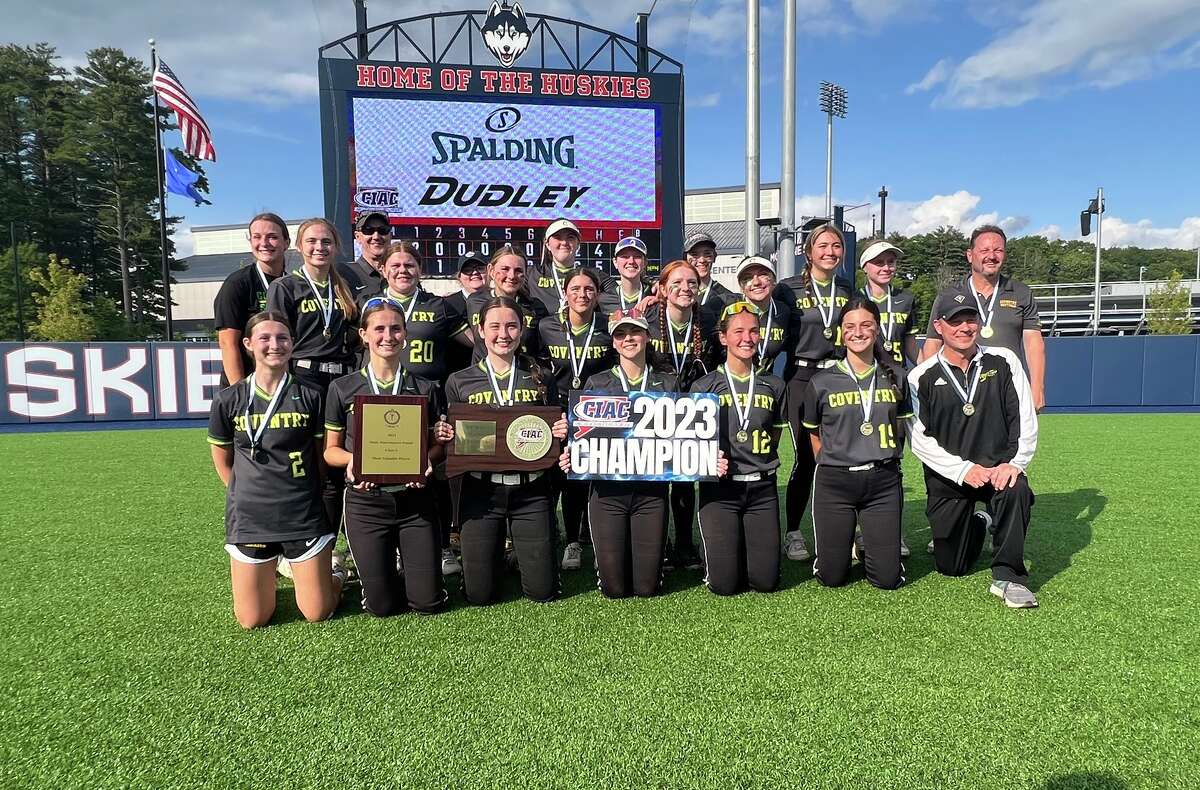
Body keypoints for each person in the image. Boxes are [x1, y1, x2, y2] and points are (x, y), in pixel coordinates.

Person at [206, 311, 344, 628]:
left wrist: (300, 489)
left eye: (282, 337)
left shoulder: (311, 395)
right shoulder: (229, 399)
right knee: (252, 619)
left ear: (292, 344)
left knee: (316, 612)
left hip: (302, 513)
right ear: (248, 344)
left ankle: (334, 575)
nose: (274, 345)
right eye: (265, 338)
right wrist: (246, 493)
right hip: (252, 517)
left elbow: (320, 459)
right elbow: (222, 461)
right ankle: (271, 576)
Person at [324, 298, 454, 616]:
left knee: (427, 604)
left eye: (396, 329)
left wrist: (428, 460)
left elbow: (437, 446)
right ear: (364, 335)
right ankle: (369, 575)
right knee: (382, 607)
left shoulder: (424, 387)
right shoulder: (342, 388)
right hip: (367, 504)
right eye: (379, 329)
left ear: (405, 334)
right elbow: (330, 451)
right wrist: (353, 462)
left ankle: (413, 573)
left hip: (416, 503)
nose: (388, 336)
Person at [908, 301, 1040, 608]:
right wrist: (962, 470)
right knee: (951, 567)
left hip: (998, 471)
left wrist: (1015, 464)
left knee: (1015, 488)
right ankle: (981, 522)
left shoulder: (1004, 360)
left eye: (970, 320)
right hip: (951, 478)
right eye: (955, 322)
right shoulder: (921, 377)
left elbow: (1024, 418)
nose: (964, 328)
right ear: (939, 327)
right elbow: (918, 438)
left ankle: (1009, 576)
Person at [445, 297, 569, 605]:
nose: (504, 334)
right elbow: (452, 438)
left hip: (531, 490)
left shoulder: (540, 375)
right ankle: (491, 557)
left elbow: (554, 427)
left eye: (512, 326)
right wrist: (444, 433)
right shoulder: (459, 380)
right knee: (480, 595)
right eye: (495, 326)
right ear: (481, 330)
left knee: (543, 593)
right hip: (481, 492)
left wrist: (560, 432)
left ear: (522, 330)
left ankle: (518, 556)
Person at [566, 308, 677, 598]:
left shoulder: (667, 383)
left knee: (646, 588)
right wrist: (572, 454)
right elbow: (582, 436)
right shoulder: (597, 383)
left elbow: (681, 437)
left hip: (651, 493)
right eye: (621, 334)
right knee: (614, 590)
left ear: (647, 336)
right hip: (607, 493)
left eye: (635, 332)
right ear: (614, 343)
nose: (629, 339)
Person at [266, 218, 359, 556]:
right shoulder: (286, 287)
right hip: (305, 380)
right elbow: (275, 341)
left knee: (338, 465)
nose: (320, 247)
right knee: (308, 465)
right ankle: (301, 545)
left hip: (343, 380)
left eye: (326, 242)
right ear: (299, 247)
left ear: (336, 247)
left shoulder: (345, 284)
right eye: (312, 242)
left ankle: (339, 547)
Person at [803, 297, 909, 590]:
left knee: (887, 580)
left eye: (865, 325)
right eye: (850, 326)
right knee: (832, 578)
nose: (858, 332)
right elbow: (814, 432)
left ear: (877, 330)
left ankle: (871, 545)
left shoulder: (897, 376)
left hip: (882, 482)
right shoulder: (822, 381)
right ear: (841, 332)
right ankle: (832, 553)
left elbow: (902, 426)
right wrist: (832, 461)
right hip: (835, 482)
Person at [690, 301, 784, 595]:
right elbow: (690, 445)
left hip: (761, 489)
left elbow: (774, 437)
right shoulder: (703, 386)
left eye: (754, 331)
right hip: (721, 490)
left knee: (766, 582)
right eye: (739, 331)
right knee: (724, 585)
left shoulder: (774, 385)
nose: (747, 338)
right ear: (723, 337)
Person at [775, 223, 852, 562]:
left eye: (836, 245)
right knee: (806, 458)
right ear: (808, 251)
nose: (830, 251)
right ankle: (793, 531)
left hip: (838, 376)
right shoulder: (787, 289)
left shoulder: (849, 289)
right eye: (822, 245)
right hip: (801, 379)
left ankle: (846, 530)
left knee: (844, 456)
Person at [919, 225, 1045, 410]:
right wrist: (928, 388)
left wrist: (1037, 389)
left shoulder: (1021, 292)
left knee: (1013, 439)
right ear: (970, 255)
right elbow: (933, 344)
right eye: (984, 250)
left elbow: (1033, 343)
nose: (992, 256)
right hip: (960, 388)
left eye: (998, 250)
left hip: (1006, 388)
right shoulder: (949, 295)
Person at [537, 268, 613, 570]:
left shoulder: (608, 327)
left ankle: (577, 540)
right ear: (565, 294)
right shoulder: (546, 327)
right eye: (576, 289)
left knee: (581, 479)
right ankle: (547, 537)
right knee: (554, 475)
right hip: (555, 412)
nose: (582, 295)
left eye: (589, 289)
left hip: (594, 412)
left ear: (597, 295)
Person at [645, 259, 717, 571]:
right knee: (655, 477)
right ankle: (659, 542)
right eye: (676, 283)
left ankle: (686, 542)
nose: (685, 288)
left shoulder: (708, 319)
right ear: (661, 288)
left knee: (687, 480)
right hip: (653, 408)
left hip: (692, 411)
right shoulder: (647, 317)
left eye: (691, 283)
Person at [213, 213, 290, 386]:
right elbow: (227, 343)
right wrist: (240, 393)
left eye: (272, 237)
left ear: (286, 243)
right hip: (248, 384)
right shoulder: (237, 284)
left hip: (284, 384)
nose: (264, 243)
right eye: (257, 237)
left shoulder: (292, 285)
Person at [464, 246, 548, 362]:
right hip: (482, 377)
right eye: (505, 269)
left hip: (523, 375)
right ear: (491, 271)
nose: (511, 276)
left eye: (518, 270)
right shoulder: (473, 302)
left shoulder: (535, 307)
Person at [858, 241, 920, 366]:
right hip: (866, 374)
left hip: (898, 377)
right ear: (864, 266)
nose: (886, 268)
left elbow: (911, 347)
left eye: (890, 262)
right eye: (879, 263)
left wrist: (928, 371)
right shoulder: (855, 299)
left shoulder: (906, 299)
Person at [735, 255, 794, 374]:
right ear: (741, 287)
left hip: (766, 382)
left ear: (774, 281)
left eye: (763, 275)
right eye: (748, 278)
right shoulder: (729, 308)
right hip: (732, 382)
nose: (756, 282)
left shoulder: (783, 311)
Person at [599, 236, 657, 315]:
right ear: (615, 262)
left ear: (645, 263)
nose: (631, 261)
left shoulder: (655, 295)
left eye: (637, 256)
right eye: (624, 256)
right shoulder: (603, 300)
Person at [684, 231, 735, 311]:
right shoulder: (678, 294)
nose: (702, 260)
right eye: (694, 254)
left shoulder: (726, 298)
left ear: (714, 257)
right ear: (685, 258)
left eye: (707, 254)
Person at [345, 211, 391, 298]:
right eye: (368, 230)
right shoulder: (344, 274)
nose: (376, 236)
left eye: (383, 230)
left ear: (390, 235)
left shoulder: (401, 274)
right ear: (357, 237)